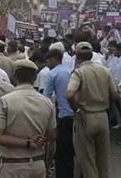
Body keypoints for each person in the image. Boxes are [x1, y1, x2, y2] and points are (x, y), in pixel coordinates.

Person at [0, 59, 56, 178]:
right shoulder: (47, 102)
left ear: (14, 76)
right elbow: (52, 136)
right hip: (37, 164)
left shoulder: (5, 101)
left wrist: (27, 143)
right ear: (35, 78)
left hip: (13, 165)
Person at [67, 42, 119, 178]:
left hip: (85, 116)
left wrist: (76, 109)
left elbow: (70, 94)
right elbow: (115, 94)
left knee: (87, 159)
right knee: (103, 159)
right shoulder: (105, 71)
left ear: (77, 57)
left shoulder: (79, 72)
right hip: (102, 116)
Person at [44, 49, 75, 178]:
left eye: (48, 60)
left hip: (62, 115)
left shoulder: (52, 74)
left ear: (53, 58)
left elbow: (46, 97)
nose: (47, 63)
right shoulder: (70, 71)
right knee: (73, 149)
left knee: (62, 151)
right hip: (75, 114)